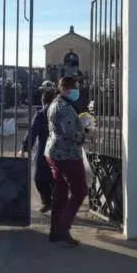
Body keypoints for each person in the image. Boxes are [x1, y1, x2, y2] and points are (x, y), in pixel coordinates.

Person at [44, 76, 88, 247]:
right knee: (80, 191)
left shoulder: (56, 104)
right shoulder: (63, 108)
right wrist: (86, 135)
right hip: (67, 154)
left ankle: (55, 231)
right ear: (64, 89)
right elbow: (71, 132)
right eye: (74, 88)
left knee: (61, 194)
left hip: (54, 153)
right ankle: (63, 228)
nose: (77, 91)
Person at [20, 87, 57, 214]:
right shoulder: (51, 114)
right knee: (53, 178)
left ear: (43, 101)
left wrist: (24, 148)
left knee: (40, 178)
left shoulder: (41, 115)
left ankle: (47, 201)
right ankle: (50, 202)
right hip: (59, 153)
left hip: (45, 153)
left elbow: (32, 133)